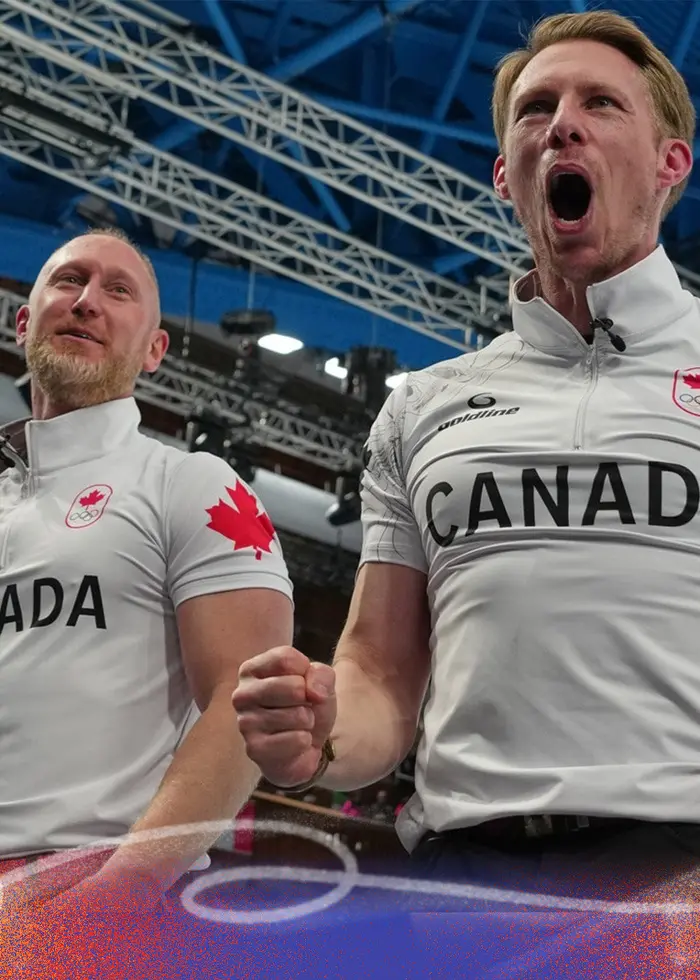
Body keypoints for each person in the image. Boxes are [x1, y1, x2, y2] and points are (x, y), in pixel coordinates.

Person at [0, 227, 293, 909]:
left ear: (156, 350)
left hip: (90, 885)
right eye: (68, 281)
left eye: (118, 289)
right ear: (24, 323)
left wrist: (120, 894)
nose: (87, 301)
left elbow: (243, 704)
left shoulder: (194, 484)